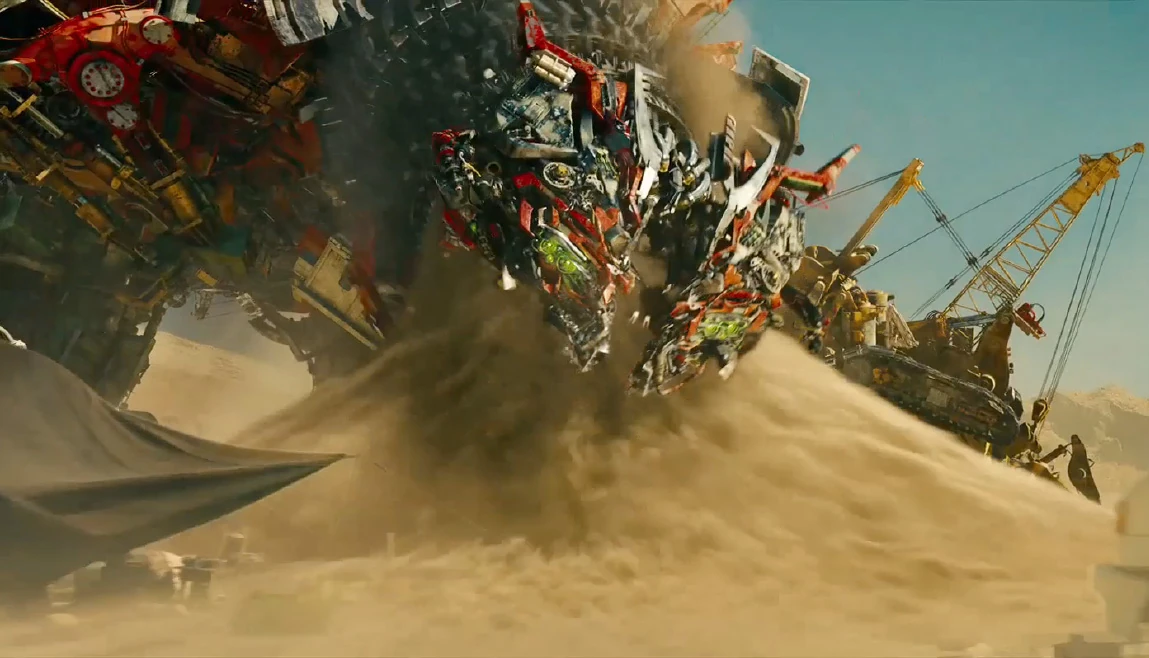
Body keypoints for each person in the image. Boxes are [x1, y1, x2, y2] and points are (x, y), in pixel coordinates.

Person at [1067, 434, 1101, 504]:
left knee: (1093, 493)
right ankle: (1095, 503)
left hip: (1082, 473)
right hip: (1080, 473)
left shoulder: (1080, 449)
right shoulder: (1080, 449)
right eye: (1074, 440)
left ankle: (1095, 504)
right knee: (1092, 493)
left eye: (1075, 440)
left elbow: (1082, 459)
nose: (1074, 442)